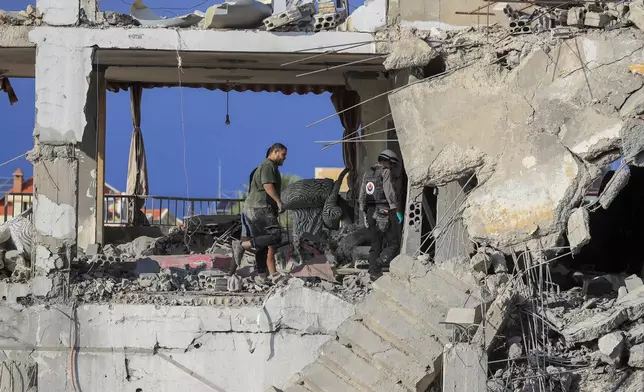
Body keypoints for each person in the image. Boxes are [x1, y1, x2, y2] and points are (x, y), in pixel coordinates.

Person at [232, 143, 287, 283]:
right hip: (260, 207)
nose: (284, 158)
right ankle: (242, 246)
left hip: (252, 208)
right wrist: (279, 202)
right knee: (275, 236)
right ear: (275, 152)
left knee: (261, 244)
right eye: (283, 155)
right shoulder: (268, 165)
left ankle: (262, 275)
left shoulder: (264, 166)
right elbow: (268, 186)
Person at [359, 149, 403, 280]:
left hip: (370, 211)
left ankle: (373, 271)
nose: (392, 167)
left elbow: (362, 196)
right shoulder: (385, 172)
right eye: (392, 164)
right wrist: (396, 210)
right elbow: (389, 192)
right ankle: (379, 264)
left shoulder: (367, 174)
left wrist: (364, 214)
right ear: (388, 162)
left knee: (375, 243)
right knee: (393, 243)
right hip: (383, 211)